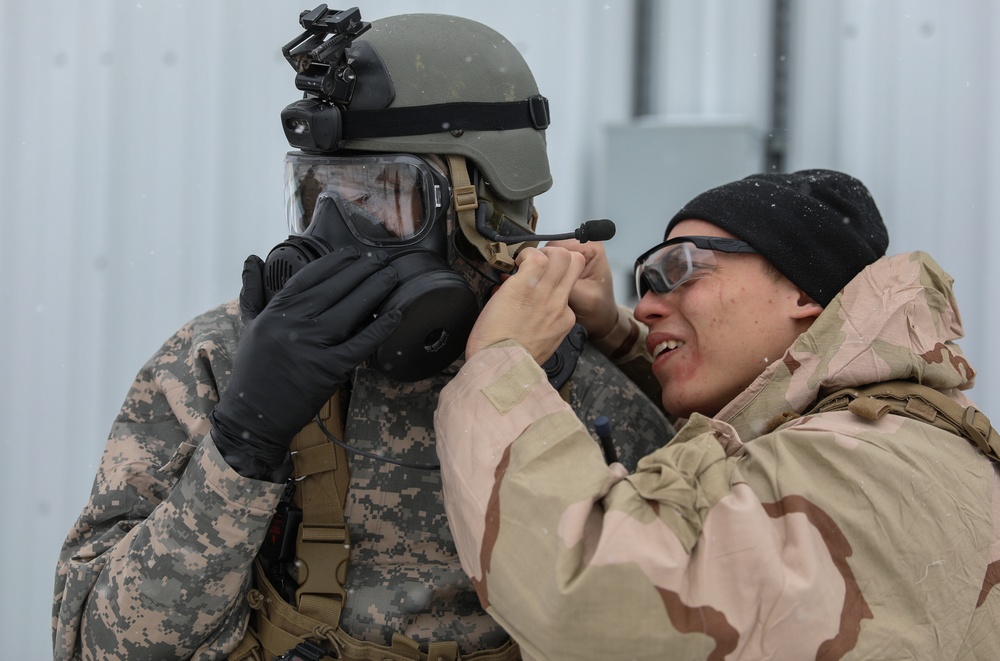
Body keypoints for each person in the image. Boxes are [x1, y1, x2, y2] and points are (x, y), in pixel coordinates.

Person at [51, 7, 673, 661]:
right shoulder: (222, 363)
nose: (333, 231)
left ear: (485, 208)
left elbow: (702, 611)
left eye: (378, 193)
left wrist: (595, 349)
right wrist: (241, 444)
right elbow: (97, 648)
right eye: (319, 191)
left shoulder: (583, 388)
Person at [434, 169, 1000, 659]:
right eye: (644, 284)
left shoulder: (864, 459)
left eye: (679, 268)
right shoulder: (887, 422)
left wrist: (500, 367)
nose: (649, 305)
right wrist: (612, 328)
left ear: (803, 290)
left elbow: (594, 608)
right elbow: (747, 424)